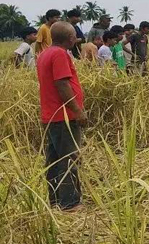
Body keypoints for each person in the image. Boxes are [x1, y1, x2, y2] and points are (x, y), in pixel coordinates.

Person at [36, 21, 86, 211]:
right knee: (68, 159)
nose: (76, 38)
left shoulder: (45, 53)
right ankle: (70, 203)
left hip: (51, 115)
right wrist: (77, 111)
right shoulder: (59, 54)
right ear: (70, 38)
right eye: (74, 35)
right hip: (63, 116)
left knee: (55, 160)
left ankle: (56, 200)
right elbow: (62, 85)